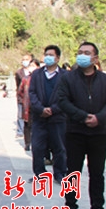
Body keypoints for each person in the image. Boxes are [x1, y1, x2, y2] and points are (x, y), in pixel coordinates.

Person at [58, 42, 106, 209]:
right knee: (73, 172)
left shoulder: (105, 80)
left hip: (98, 133)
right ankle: (70, 206)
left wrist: (99, 118)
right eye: (80, 52)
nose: (82, 55)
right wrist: (83, 117)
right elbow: (62, 101)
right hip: (75, 131)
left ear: (95, 58)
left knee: (97, 173)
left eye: (87, 52)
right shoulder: (68, 78)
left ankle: (97, 208)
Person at [29, 45, 67, 183]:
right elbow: (32, 93)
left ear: (57, 58)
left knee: (59, 147)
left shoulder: (65, 75)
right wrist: (41, 109)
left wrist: (53, 109)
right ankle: (40, 173)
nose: (48, 57)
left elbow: (66, 96)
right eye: (46, 55)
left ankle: (60, 173)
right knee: (37, 147)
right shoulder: (37, 74)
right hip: (40, 118)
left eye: (51, 55)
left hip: (58, 118)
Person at [18, 59, 40, 151]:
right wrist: (24, 101)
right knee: (27, 124)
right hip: (27, 105)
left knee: (37, 125)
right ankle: (27, 143)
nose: (31, 68)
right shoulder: (26, 79)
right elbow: (20, 91)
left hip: (38, 106)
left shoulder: (41, 78)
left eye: (34, 66)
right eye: (30, 66)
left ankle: (36, 142)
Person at [15, 54, 33, 138]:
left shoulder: (34, 72)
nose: (25, 61)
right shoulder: (19, 72)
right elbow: (18, 85)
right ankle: (20, 131)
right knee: (20, 114)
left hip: (31, 97)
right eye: (23, 59)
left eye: (27, 59)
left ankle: (29, 130)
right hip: (21, 96)